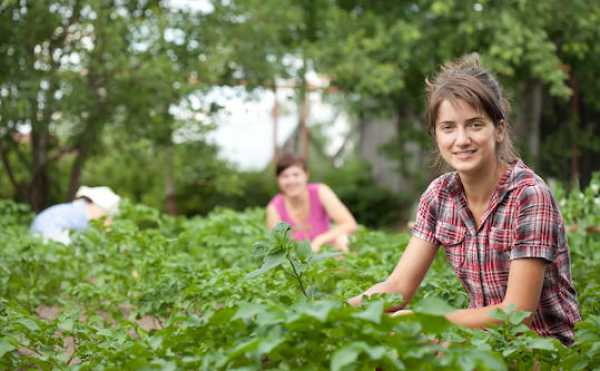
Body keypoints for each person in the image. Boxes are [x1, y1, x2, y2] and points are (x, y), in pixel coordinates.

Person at [348, 54, 580, 345]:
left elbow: (517, 311)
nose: (461, 140)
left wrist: (426, 321)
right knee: (386, 348)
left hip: (543, 348)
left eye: (474, 124)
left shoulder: (529, 195)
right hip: (480, 342)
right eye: (448, 127)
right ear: (436, 135)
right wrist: (334, 315)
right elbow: (397, 287)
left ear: (499, 129)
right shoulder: (439, 197)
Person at [266, 153, 357, 253]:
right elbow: (277, 246)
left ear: (306, 175)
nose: (291, 180)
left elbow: (349, 224)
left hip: (326, 252)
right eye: (285, 176)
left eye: (296, 175)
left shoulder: (320, 191)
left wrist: (319, 241)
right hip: (297, 260)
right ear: (278, 180)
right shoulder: (274, 207)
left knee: (342, 240)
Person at [30, 186, 121, 245]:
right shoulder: (82, 214)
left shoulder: (69, 209)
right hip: (49, 244)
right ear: (93, 204)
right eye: (104, 212)